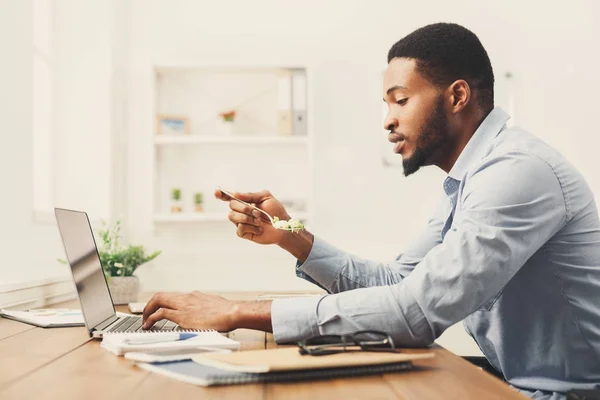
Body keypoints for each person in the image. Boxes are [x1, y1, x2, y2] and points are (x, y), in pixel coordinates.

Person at [142, 23, 600, 399]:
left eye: (400, 100)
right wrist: (287, 231)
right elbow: (395, 283)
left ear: (457, 96)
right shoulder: (466, 180)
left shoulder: (516, 173)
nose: (387, 119)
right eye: (386, 104)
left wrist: (237, 311)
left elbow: (414, 311)